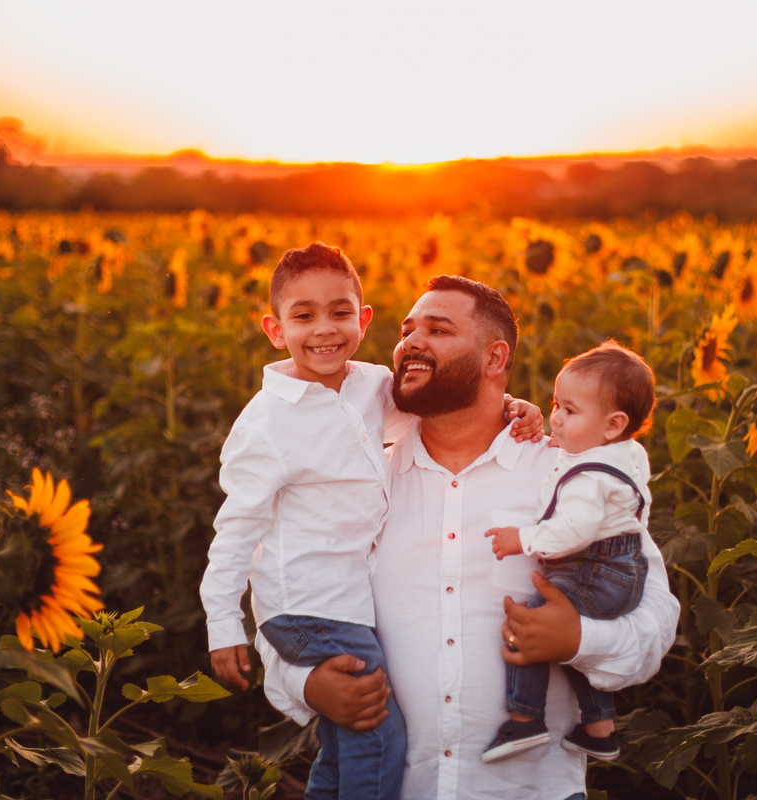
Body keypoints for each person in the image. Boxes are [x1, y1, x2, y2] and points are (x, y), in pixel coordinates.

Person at [258, 275, 680, 800]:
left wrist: (579, 640)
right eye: (407, 329)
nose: (411, 342)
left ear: (494, 358)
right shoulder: (359, 480)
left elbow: (655, 625)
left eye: (437, 329)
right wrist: (306, 684)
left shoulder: (568, 476)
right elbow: (287, 594)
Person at [200, 244, 542, 800]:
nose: (323, 330)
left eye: (339, 313)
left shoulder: (369, 386)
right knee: (380, 734)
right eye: (302, 316)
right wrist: (223, 626)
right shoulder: (266, 424)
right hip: (308, 605)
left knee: (345, 745)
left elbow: (445, 390)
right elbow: (235, 532)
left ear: (362, 320)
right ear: (274, 329)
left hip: (345, 606)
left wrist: (516, 408)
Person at [482, 341, 656, 764]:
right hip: (620, 566)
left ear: (613, 424)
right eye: (555, 404)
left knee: (533, 624)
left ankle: (525, 719)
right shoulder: (621, 453)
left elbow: (573, 531)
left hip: (597, 567)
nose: (556, 417)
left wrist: (520, 539)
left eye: (570, 411)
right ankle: (598, 728)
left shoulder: (589, 478)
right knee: (573, 642)